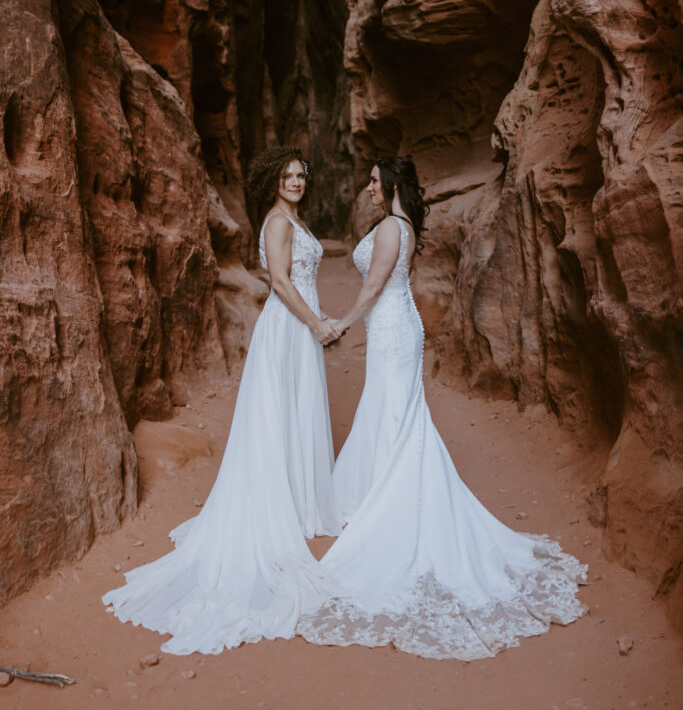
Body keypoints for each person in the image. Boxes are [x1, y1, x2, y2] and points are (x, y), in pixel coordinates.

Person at [297, 155, 587, 660]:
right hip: (395, 329)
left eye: (372, 181)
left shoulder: (391, 228)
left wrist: (340, 323)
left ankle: (392, 502)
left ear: (389, 185)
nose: (367, 188)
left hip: (391, 331)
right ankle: (371, 492)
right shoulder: (400, 224)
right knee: (392, 412)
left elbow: (373, 286)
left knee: (395, 413)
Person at [103, 147, 343, 654]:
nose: (297, 181)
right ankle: (282, 509)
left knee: (296, 414)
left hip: (300, 330)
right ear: (273, 181)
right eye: (288, 175)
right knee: (280, 416)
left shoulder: (292, 218)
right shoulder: (277, 222)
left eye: (302, 174)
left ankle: (300, 505)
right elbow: (278, 282)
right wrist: (317, 323)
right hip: (289, 329)